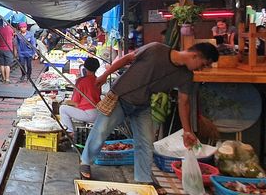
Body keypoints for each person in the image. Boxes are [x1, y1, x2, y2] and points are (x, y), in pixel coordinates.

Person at [78, 42, 219, 187]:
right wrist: (105, 75)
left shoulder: (187, 76)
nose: (202, 68)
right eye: (203, 64)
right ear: (195, 56)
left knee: (145, 142)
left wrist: (187, 131)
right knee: (101, 130)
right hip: (121, 96)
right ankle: (85, 162)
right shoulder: (156, 49)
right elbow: (127, 59)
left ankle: (144, 178)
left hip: (143, 104)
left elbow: (184, 102)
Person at [59, 57, 101, 133]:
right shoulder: (98, 80)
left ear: (85, 67)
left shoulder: (81, 81)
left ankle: (70, 132)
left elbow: (75, 102)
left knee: (63, 108)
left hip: (88, 113)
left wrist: (65, 102)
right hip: (98, 112)